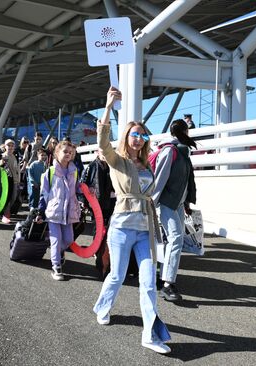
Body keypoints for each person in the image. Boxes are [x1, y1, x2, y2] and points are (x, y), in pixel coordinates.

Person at [93, 87, 171, 354]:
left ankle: (149, 335)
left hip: (145, 229)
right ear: (127, 137)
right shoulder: (118, 161)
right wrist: (107, 106)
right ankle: (102, 307)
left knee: (149, 282)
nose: (138, 139)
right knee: (116, 275)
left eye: (142, 135)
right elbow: (103, 143)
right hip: (122, 227)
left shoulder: (147, 165)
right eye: (134, 134)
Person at [152, 119, 197, 302]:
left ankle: (165, 278)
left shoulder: (183, 152)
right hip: (166, 203)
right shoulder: (170, 151)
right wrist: (151, 204)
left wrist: (186, 202)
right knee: (176, 238)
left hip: (177, 204)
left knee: (171, 240)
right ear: (184, 131)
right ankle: (167, 284)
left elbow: (187, 181)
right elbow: (159, 179)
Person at [36, 141, 81, 281]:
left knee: (68, 239)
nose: (68, 154)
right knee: (56, 239)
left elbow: (77, 188)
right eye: (65, 151)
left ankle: (60, 252)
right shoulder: (50, 172)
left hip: (69, 212)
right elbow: (44, 194)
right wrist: (40, 212)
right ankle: (56, 266)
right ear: (57, 153)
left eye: (71, 153)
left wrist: (86, 190)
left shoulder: (74, 171)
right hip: (54, 212)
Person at [80, 148, 116, 278]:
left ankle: (104, 250)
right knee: (98, 227)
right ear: (97, 153)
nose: (105, 155)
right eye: (103, 152)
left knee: (108, 227)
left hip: (111, 201)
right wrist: (84, 201)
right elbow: (83, 183)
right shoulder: (92, 166)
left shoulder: (111, 166)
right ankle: (97, 249)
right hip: (97, 203)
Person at [0, 139, 21, 224]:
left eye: (12, 146)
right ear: (5, 146)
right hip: (6, 181)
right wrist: (2, 163)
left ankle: (4, 211)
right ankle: (6, 215)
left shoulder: (15, 156)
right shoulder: (2, 156)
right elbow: (0, 167)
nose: (10, 147)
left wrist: (19, 180)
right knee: (7, 198)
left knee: (14, 198)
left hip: (15, 181)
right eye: (9, 145)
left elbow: (17, 169)